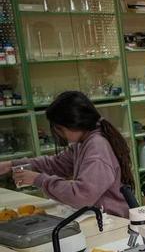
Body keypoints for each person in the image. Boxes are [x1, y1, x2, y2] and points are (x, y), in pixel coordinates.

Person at [0, 91, 132, 218]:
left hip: (113, 220)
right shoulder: (84, 141)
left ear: (73, 124)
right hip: (101, 216)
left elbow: (81, 196)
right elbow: (56, 164)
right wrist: (12, 165)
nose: (58, 133)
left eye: (59, 129)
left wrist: (38, 179)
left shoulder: (97, 147)